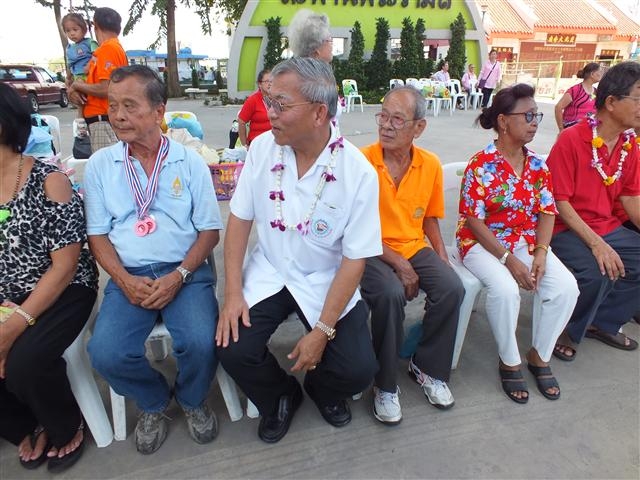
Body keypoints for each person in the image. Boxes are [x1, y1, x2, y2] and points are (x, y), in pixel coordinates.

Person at [216, 57, 380, 443]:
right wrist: (233, 293)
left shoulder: (357, 174)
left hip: (326, 278)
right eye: (268, 100)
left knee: (358, 368)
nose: (268, 113)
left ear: (319, 113)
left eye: (280, 105)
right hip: (271, 271)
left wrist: (322, 331)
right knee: (232, 348)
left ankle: (321, 390)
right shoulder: (260, 149)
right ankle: (280, 397)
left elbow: (355, 260)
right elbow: (238, 221)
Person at [83, 65, 223, 454]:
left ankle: (193, 400)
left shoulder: (188, 161)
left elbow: (210, 231)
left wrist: (179, 275)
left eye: (130, 105)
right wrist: (124, 280)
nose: (118, 116)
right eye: (113, 106)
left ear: (159, 111)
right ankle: (154, 401)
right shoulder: (100, 166)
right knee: (105, 352)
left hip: (186, 273)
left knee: (201, 342)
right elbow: (97, 235)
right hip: (130, 275)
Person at [456, 83, 579, 404]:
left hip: (525, 240)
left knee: (566, 287)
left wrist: (540, 251)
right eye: (527, 115)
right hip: (481, 244)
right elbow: (473, 220)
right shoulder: (480, 164)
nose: (535, 121)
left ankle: (539, 355)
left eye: (536, 115)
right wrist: (510, 260)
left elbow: (547, 211)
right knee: (506, 289)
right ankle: (509, 360)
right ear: (503, 121)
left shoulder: (538, 165)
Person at [0, 83, 98, 473]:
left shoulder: (48, 181)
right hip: (5, 296)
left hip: (61, 291)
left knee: (24, 362)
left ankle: (64, 422)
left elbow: (65, 266)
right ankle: (26, 423)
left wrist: (14, 327)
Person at [359, 86, 464, 424]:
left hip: (412, 245)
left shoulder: (429, 164)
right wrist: (398, 263)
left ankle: (427, 367)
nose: (386, 126)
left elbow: (430, 217)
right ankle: (384, 383)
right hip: (368, 249)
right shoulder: (361, 161)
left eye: (397, 119)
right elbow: (354, 229)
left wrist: (442, 260)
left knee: (452, 287)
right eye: (383, 117)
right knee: (389, 294)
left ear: (418, 128)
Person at [547, 61, 640, 360]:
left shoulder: (629, 144)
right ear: (611, 102)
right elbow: (559, 203)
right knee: (598, 271)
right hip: (564, 227)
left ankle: (602, 322)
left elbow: (630, 198)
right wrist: (597, 244)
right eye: (638, 99)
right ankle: (569, 330)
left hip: (606, 225)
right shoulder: (571, 139)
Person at [68, 7, 127, 154]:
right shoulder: (103, 51)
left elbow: (106, 89)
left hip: (103, 121)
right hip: (98, 121)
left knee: (107, 171)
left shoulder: (109, 49)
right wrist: (75, 90)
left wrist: (77, 85)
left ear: (96, 25)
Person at [287, 9, 342, 125]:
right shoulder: (307, 81)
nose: (332, 46)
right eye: (329, 41)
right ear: (317, 51)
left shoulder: (321, 75)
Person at [62, 13, 98, 119]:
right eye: (68, 31)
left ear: (83, 29)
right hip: (77, 76)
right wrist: (68, 77)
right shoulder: (69, 48)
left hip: (89, 75)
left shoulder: (89, 42)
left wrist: (89, 64)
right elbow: (70, 64)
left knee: (80, 88)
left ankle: (81, 117)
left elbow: (97, 55)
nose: (72, 34)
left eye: (75, 29)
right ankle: (81, 116)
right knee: (76, 95)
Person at [554, 62, 602, 131]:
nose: (601, 74)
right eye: (599, 72)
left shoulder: (596, 91)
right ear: (592, 74)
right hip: (572, 130)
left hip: (589, 130)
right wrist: (561, 129)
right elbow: (558, 107)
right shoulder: (575, 90)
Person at [237, 69, 272, 148]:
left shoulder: (277, 99)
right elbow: (241, 122)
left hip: (274, 143)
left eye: (272, 81)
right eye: (267, 81)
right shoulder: (253, 100)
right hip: (257, 144)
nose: (270, 84)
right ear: (260, 84)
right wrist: (244, 145)